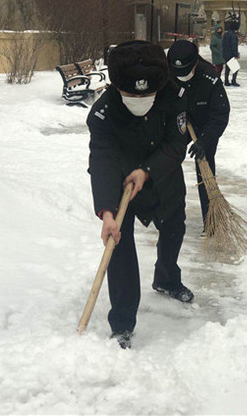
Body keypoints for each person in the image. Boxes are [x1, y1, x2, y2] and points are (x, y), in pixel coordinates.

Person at [86, 41, 193, 350]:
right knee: (118, 244)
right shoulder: (103, 113)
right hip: (121, 185)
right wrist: (107, 211)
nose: (139, 100)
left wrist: (147, 170)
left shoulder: (174, 98)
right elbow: (102, 159)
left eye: (146, 94)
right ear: (117, 87)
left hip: (163, 177)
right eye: (132, 95)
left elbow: (176, 144)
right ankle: (121, 323)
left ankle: (167, 279)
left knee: (174, 227)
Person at [167, 40, 230, 235]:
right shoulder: (166, 73)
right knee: (167, 160)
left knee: (205, 165)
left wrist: (204, 140)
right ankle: (167, 213)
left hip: (204, 123)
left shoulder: (209, 76)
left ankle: (210, 219)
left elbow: (220, 114)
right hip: (177, 119)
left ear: (195, 64)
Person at [222, 20, 240, 86]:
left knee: (227, 68)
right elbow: (233, 46)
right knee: (236, 68)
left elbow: (223, 44)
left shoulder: (226, 34)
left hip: (226, 54)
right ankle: (233, 81)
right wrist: (235, 54)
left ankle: (226, 80)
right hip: (231, 54)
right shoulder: (233, 35)